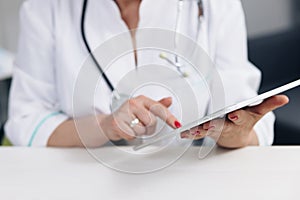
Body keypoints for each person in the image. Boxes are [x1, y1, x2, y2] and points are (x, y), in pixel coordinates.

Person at [5, 0, 288, 148]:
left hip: (193, 176)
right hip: (83, 178)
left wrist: (237, 134)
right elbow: (28, 120)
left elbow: (241, 106)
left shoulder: (216, 5)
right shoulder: (44, 9)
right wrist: (106, 126)